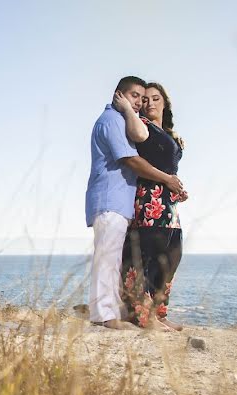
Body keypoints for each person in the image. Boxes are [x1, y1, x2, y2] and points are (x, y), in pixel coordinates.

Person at [86, 76, 184, 329]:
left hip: (121, 200)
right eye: (135, 96)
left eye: (145, 98)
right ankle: (105, 316)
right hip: (111, 198)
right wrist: (167, 180)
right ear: (119, 95)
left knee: (115, 259)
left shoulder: (120, 120)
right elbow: (129, 159)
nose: (140, 102)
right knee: (110, 259)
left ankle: (114, 313)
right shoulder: (113, 120)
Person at [115, 82, 188, 330]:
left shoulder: (168, 133)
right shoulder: (141, 126)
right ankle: (143, 316)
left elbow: (168, 166)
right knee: (144, 257)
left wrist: (177, 188)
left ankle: (159, 311)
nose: (149, 103)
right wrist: (128, 109)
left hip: (169, 203)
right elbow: (136, 152)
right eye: (145, 99)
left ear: (165, 102)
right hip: (149, 200)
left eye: (155, 99)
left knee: (171, 255)